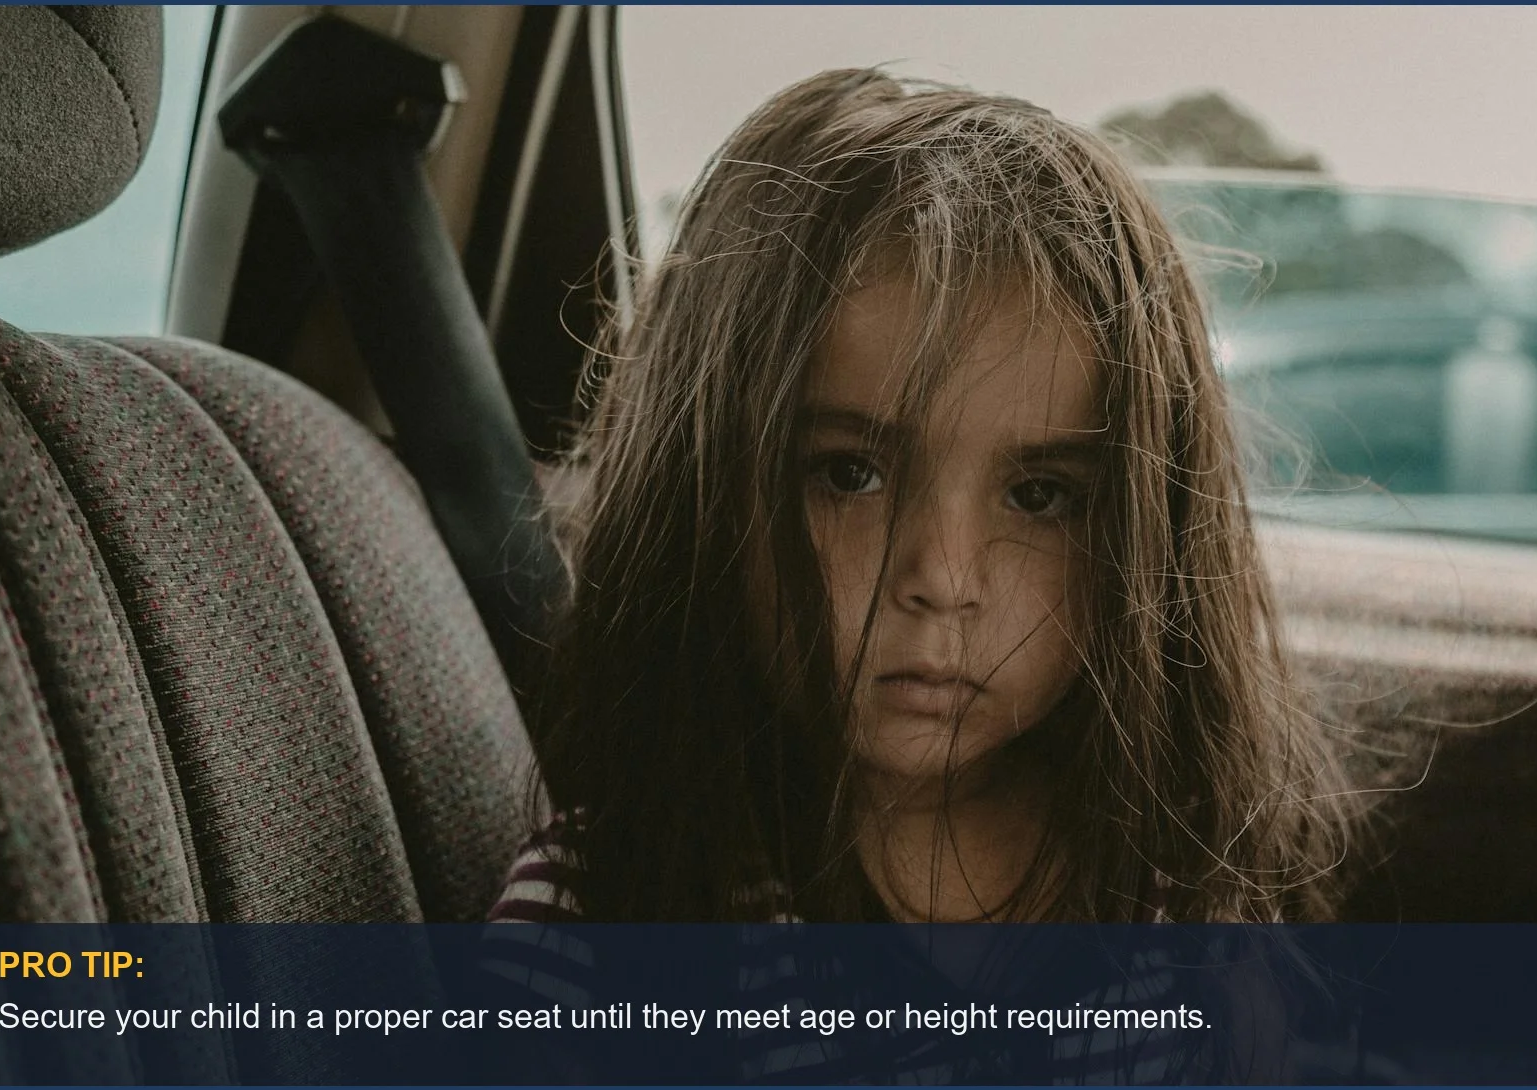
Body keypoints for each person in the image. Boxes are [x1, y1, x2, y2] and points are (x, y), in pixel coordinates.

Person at [493, 67, 1358, 930]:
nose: (944, 577)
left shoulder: (1166, 889)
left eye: (1040, 495)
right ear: (704, 492)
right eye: (848, 476)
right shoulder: (612, 909)